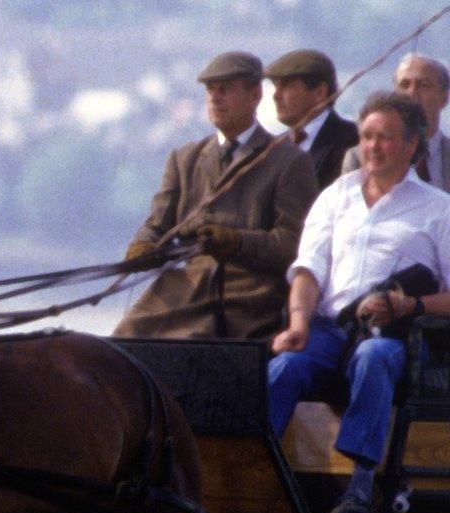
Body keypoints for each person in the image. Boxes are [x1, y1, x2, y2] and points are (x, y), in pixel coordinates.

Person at [268, 91, 450, 513]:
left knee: (371, 358)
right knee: (284, 367)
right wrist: (297, 324)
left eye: (384, 138)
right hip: (330, 327)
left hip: (395, 336)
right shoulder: (336, 197)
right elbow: (308, 270)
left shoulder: (438, 209)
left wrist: (410, 305)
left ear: (412, 144)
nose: (372, 146)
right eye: (366, 136)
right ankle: (260, 470)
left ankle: (361, 486)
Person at [114, 51, 319, 339]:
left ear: (255, 95)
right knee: (121, 343)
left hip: (248, 296)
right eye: (210, 90)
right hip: (181, 288)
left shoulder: (289, 161)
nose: (215, 98)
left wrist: (236, 243)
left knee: (190, 344)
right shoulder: (184, 159)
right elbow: (157, 224)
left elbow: (293, 245)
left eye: (226, 90)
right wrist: (143, 248)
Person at [342, 54, 450, 192]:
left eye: (423, 85)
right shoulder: (362, 157)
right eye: (404, 85)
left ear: (445, 97)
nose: (412, 93)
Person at [266, 49, 359, 189]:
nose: (276, 96)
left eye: (286, 86)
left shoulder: (353, 139)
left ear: (319, 92)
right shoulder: (272, 148)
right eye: (275, 86)